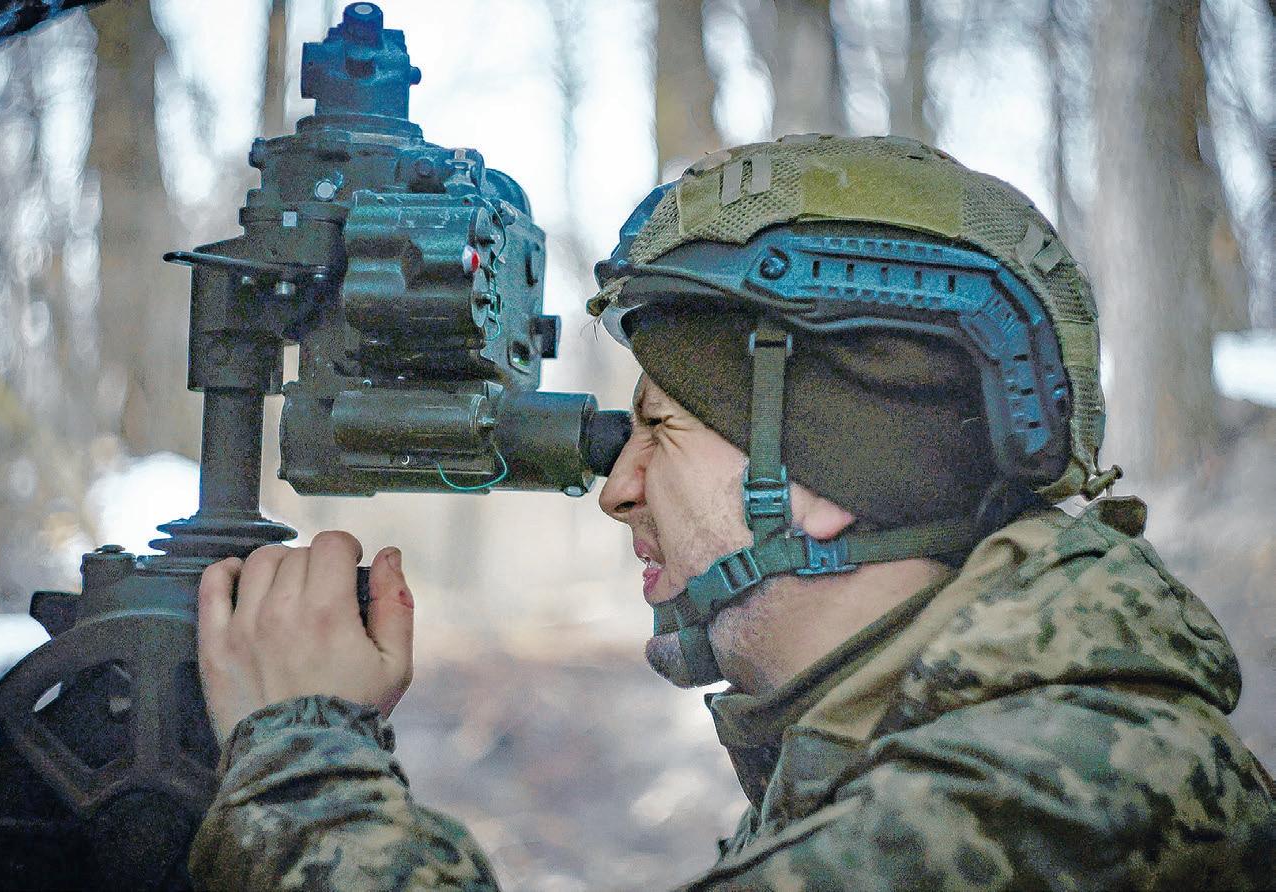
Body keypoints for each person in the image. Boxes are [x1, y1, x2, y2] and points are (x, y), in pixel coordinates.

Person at [187, 136, 1276, 890]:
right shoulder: (948, 742)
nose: (617, 487)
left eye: (660, 427)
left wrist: (304, 756)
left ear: (817, 480)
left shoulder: (1061, 795)